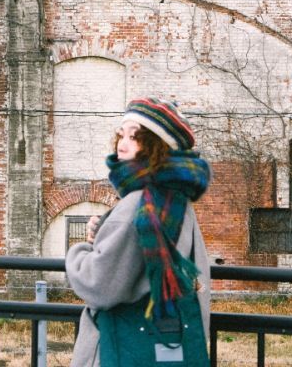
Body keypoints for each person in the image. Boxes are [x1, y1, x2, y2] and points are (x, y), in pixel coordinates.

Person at [66, 97, 212, 366]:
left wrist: (80, 251)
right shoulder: (178, 202)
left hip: (118, 349)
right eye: (121, 135)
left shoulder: (139, 204)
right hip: (168, 342)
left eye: (134, 137)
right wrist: (105, 233)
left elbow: (98, 285)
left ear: (157, 145)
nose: (121, 144)